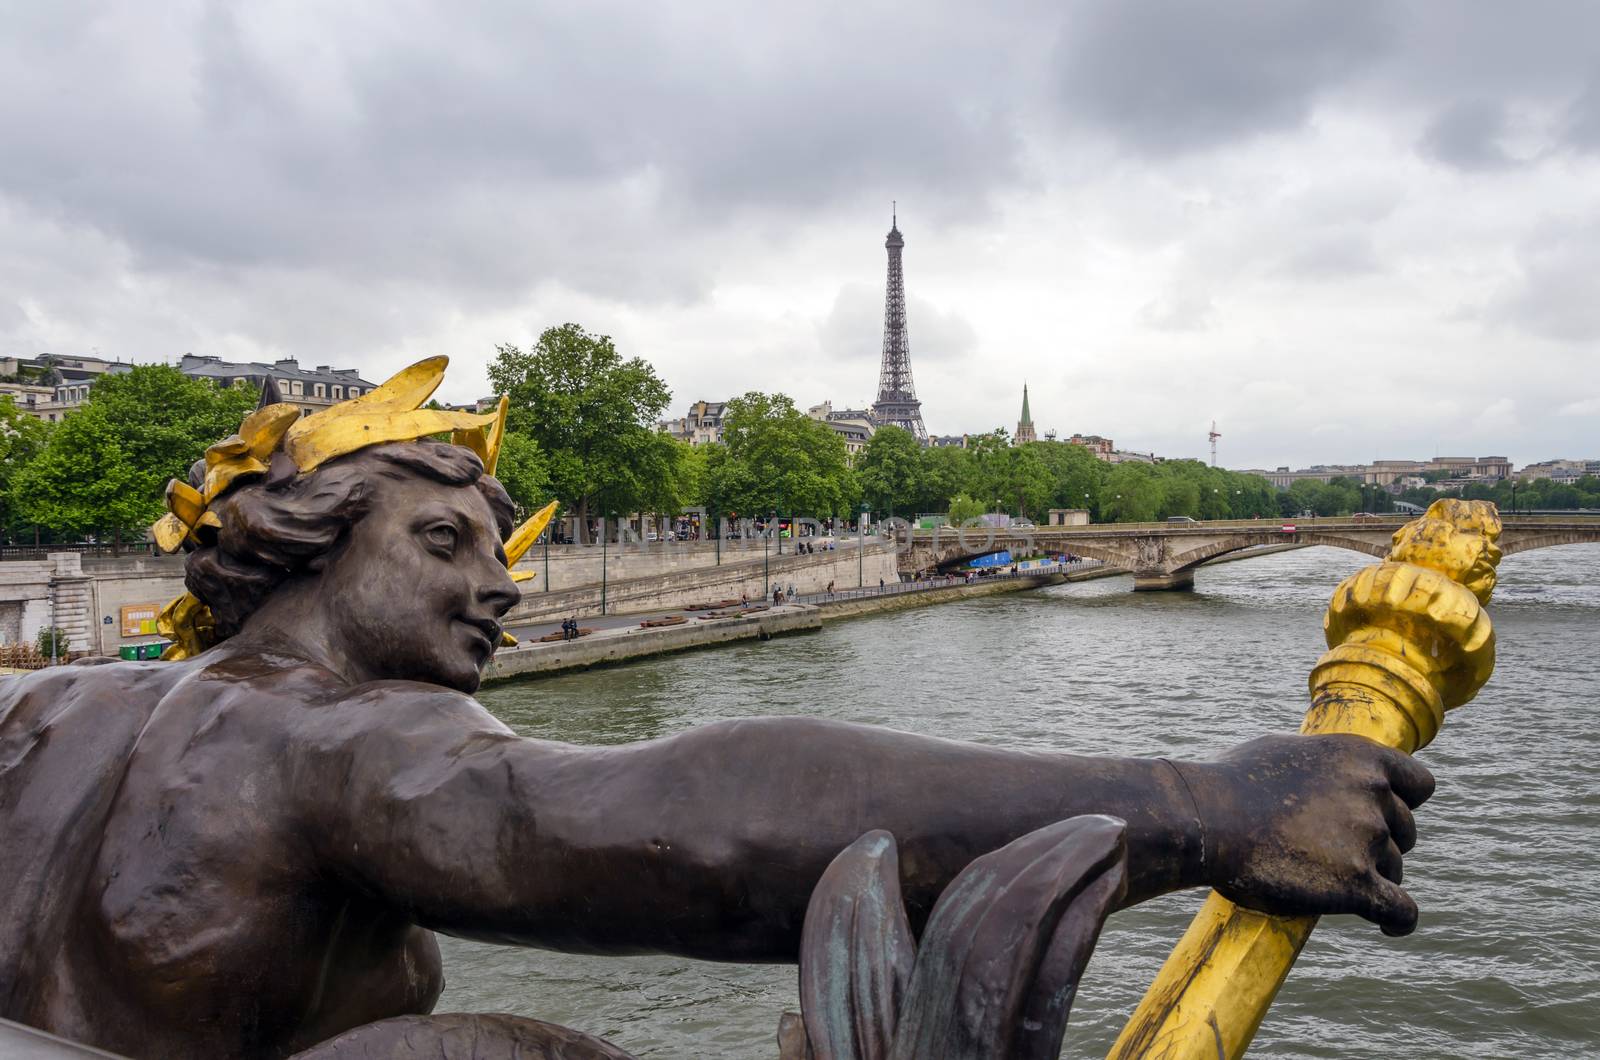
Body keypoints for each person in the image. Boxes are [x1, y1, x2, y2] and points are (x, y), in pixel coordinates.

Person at [0, 364, 1434, 1060]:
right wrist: (1209, 806)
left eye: (506, 556)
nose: (498, 591)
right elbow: (684, 825)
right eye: (445, 545)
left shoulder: (43, 709)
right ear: (305, 542)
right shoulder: (323, 732)